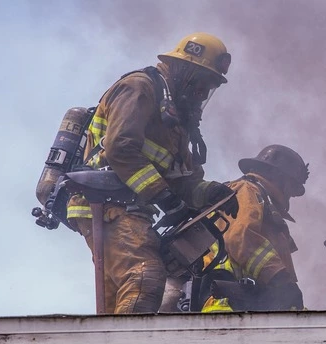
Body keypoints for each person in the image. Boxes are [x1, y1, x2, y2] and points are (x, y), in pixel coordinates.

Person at [66, 32, 239, 314]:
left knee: (118, 297)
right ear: (184, 69)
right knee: (144, 276)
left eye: (210, 86)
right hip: (104, 203)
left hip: (130, 209)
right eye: (202, 82)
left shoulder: (175, 121)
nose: (203, 93)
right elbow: (120, 148)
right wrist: (166, 199)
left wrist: (211, 192)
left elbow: (182, 181)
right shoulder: (140, 88)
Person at [200, 145, 309, 312]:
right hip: (226, 302)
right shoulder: (247, 190)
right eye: (292, 186)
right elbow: (241, 237)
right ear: (279, 176)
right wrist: (280, 278)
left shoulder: (266, 205)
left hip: (248, 304)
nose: (291, 195)